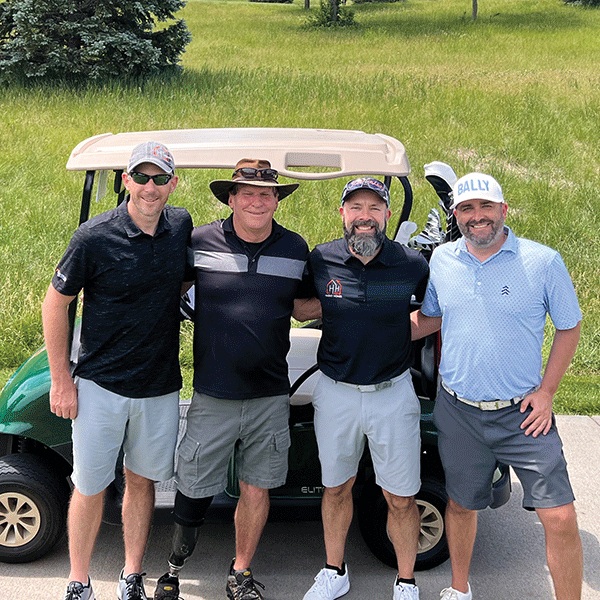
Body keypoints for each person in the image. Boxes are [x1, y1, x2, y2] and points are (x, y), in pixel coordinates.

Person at [411, 172, 583, 600]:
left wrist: (546, 393)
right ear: (457, 216)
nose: (478, 217)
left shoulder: (542, 261)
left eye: (487, 207)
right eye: (467, 209)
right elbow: (432, 317)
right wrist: (367, 328)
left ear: (504, 210)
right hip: (458, 411)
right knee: (461, 505)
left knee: (560, 517)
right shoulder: (443, 260)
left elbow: (570, 326)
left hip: (523, 415)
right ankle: (459, 588)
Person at [153, 159, 314, 600]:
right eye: (247, 193)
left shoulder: (296, 249)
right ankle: (172, 568)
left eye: (266, 194)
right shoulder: (200, 241)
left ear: (276, 200)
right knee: (192, 488)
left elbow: (304, 307)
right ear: (231, 198)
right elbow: (166, 289)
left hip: (269, 395)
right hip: (213, 393)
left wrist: (364, 304)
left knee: (256, 487)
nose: (257, 202)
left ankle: (240, 573)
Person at [42, 142, 193, 600]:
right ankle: (79, 579)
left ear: (173, 182)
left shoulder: (181, 226)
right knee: (89, 485)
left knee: (142, 481)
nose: (151, 187)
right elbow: (55, 305)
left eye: (159, 178)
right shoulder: (93, 237)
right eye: (141, 178)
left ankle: (131, 575)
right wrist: (61, 379)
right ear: (125, 181)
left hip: (159, 386)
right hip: (100, 385)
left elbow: (184, 281)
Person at [301, 177, 429, 600]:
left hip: (393, 395)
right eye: (356, 207)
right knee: (336, 487)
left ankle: (406, 581)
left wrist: (397, 330)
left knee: (401, 496)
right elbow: (301, 306)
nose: (365, 217)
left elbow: (434, 313)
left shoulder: (410, 264)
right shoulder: (321, 259)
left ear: (387, 215)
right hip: (336, 393)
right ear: (342, 213)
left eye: (375, 208)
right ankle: (335, 571)